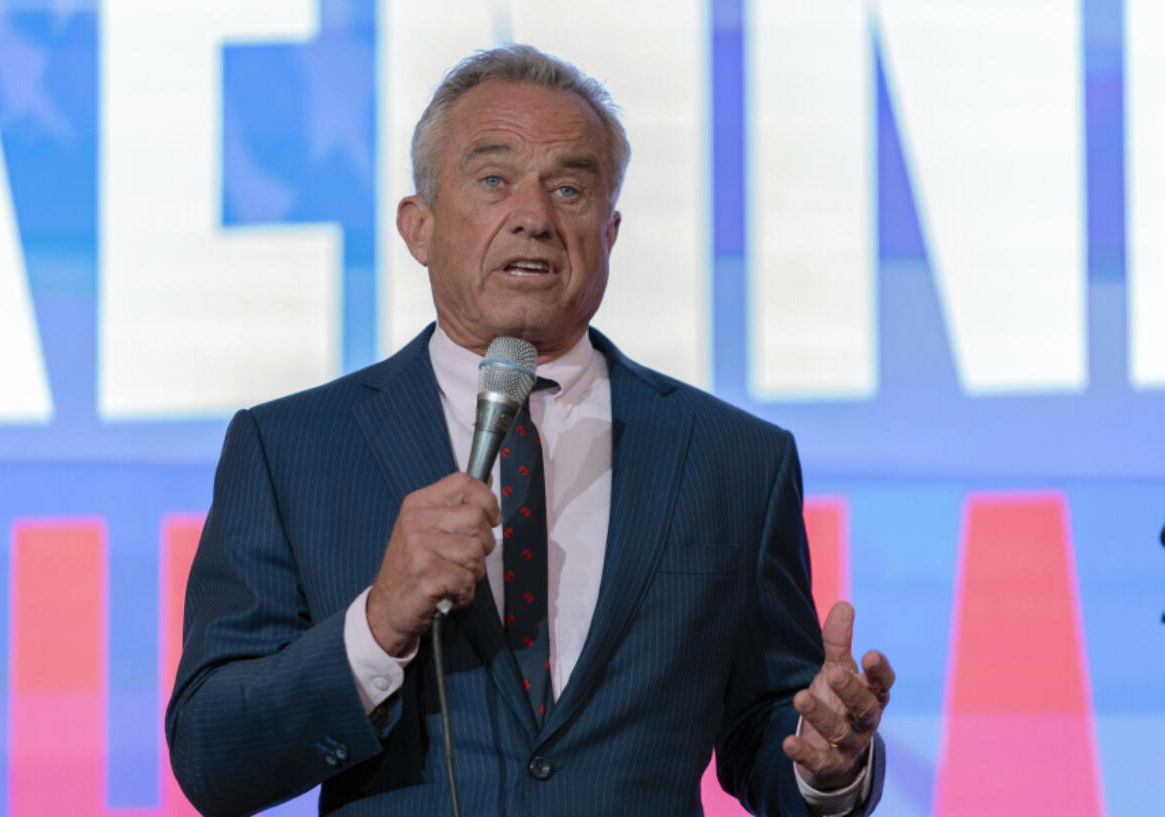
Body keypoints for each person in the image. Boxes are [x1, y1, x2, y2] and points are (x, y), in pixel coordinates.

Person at [166, 44, 894, 817]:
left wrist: (829, 765)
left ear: (609, 235)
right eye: (492, 180)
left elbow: (765, 728)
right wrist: (376, 624)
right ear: (419, 226)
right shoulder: (292, 450)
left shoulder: (735, 458)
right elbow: (214, 757)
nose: (535, 218)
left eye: (571, 188)